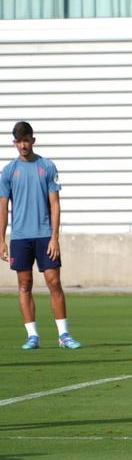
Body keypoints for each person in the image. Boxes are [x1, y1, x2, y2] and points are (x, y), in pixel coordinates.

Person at [0, 122, 82, 350]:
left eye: (26, 140)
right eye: (19, 141)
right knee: (24, 284)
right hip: (20, 238)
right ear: (14, 143)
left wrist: (55, 237)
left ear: (33, 140)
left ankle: (64, 335)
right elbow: (3, 208)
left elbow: (55, 204)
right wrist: (1, 240)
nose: (23, 145)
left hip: (45, 235)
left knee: (54, 282)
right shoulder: (8, 172)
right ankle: (32, 336)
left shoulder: (46, 167)